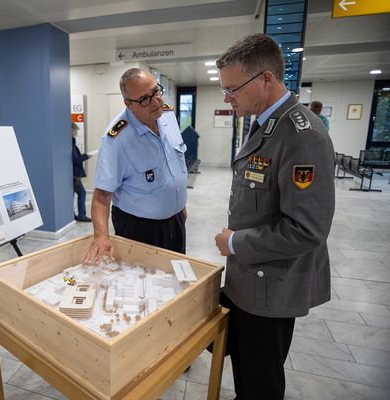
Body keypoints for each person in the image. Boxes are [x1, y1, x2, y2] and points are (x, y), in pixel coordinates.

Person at [213, 33, 335, 400]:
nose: (227, 97)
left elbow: (306, 229)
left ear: (266, 79)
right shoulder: (266, 122)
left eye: (233, 88)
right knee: (248, 373)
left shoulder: (302, 135)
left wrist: (234, 241)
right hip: (250, 279)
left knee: (261, 382)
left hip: (273, 285)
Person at [82, 68, 188, 264]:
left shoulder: (167, 116)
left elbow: (174, 164)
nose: (156, 101)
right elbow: (101, 196)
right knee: (141, 288)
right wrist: (101, 237)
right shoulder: (117, 139)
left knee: (175, 278)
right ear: (129, 104)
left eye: (156, 91)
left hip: (176, 221)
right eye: (145, 99)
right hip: (140, 228)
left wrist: (179, 204)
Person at [72, 122, 93, 222]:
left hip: (72, 175)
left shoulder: (71, 144)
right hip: (74, 176)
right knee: (82, 193)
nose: (77, 133)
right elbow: (75, 160)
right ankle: (81, 215)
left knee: (71, 196)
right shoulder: (71, 145)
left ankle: (72, 215)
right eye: (76, 131)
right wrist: (86, 156)